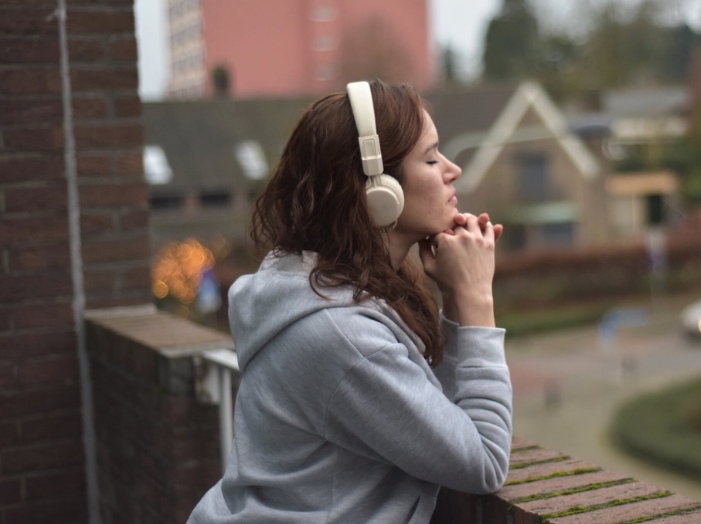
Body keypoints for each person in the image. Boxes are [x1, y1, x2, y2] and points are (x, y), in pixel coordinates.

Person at [187, 80, 513, 524]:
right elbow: (484, 461)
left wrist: (456, 294)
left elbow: (438, 418)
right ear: (378, 190)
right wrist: (476, 298)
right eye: (432, 157)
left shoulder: (311, 287)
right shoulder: (345, 337)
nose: (451, 169)